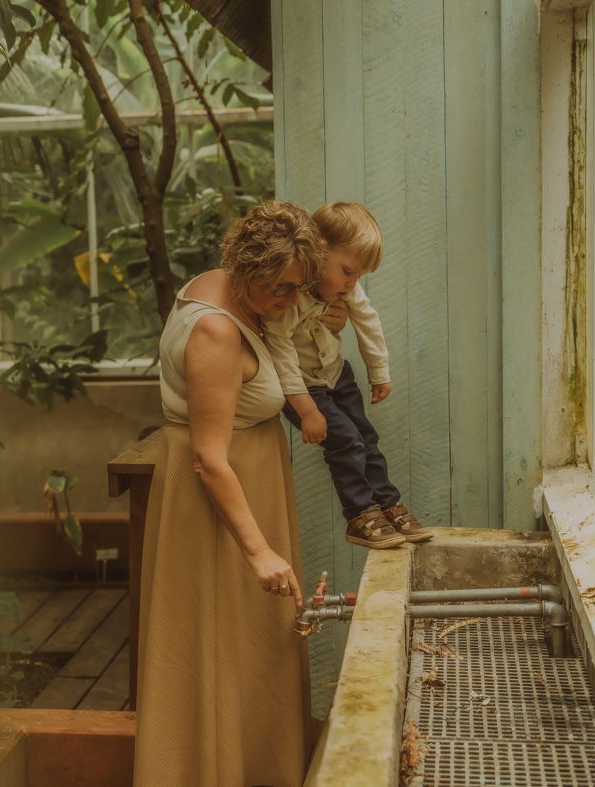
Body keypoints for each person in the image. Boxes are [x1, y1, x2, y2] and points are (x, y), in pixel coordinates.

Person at [135, 201, 325, 787]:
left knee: (249, 645)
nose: (292, 300)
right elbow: (209, 458)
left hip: (244, 485)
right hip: (221, 502)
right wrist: (259, 551)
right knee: (221, 643)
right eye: (282, 288)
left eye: (300, 287)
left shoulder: (220, 287)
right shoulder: (217, 330)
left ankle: (255, 765)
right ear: (247, 270)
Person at [264, 201, 432, 550]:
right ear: (318, 251)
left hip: (338, 376)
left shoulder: (346, 289)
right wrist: (307, 410)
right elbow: (280, 355)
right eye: (347, 271)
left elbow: (368, 321)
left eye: (358, 276)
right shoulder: (290, 296)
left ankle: (386, 504)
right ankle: (359, 515)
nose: (351, 284)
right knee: (345, 441)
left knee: (366, 438)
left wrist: (379, 373)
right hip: (304, 388)